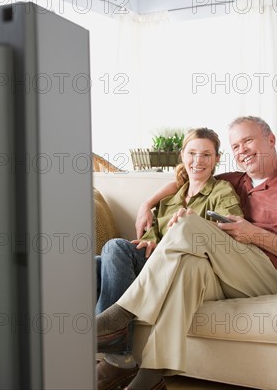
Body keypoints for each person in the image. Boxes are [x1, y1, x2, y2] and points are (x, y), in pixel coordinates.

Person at [96, 116, 277, 390]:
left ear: (271, 140)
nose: (241, 150)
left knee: (187, 223)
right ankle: (151, 377)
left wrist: (253, 233)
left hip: (267, 275)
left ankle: (120, 315)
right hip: (226, 275)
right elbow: (187, 178)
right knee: (189, 268)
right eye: (235, 146)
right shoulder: (235, 181)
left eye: (248, 141)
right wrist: (146, 204)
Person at [95, 128, 243, 390]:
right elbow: (149, 238)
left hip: (183, 269)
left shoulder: (222, 191)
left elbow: (229, 235)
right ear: (182, 155)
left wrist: (191, 224)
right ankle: (110, 347)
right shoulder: (170, 197)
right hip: (153, 264)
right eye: (192, 153)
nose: (198, 160)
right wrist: (149, 238)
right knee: (103, 256)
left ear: (217, 158)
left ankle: (115, 352)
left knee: (114, 250)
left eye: (206, 154)